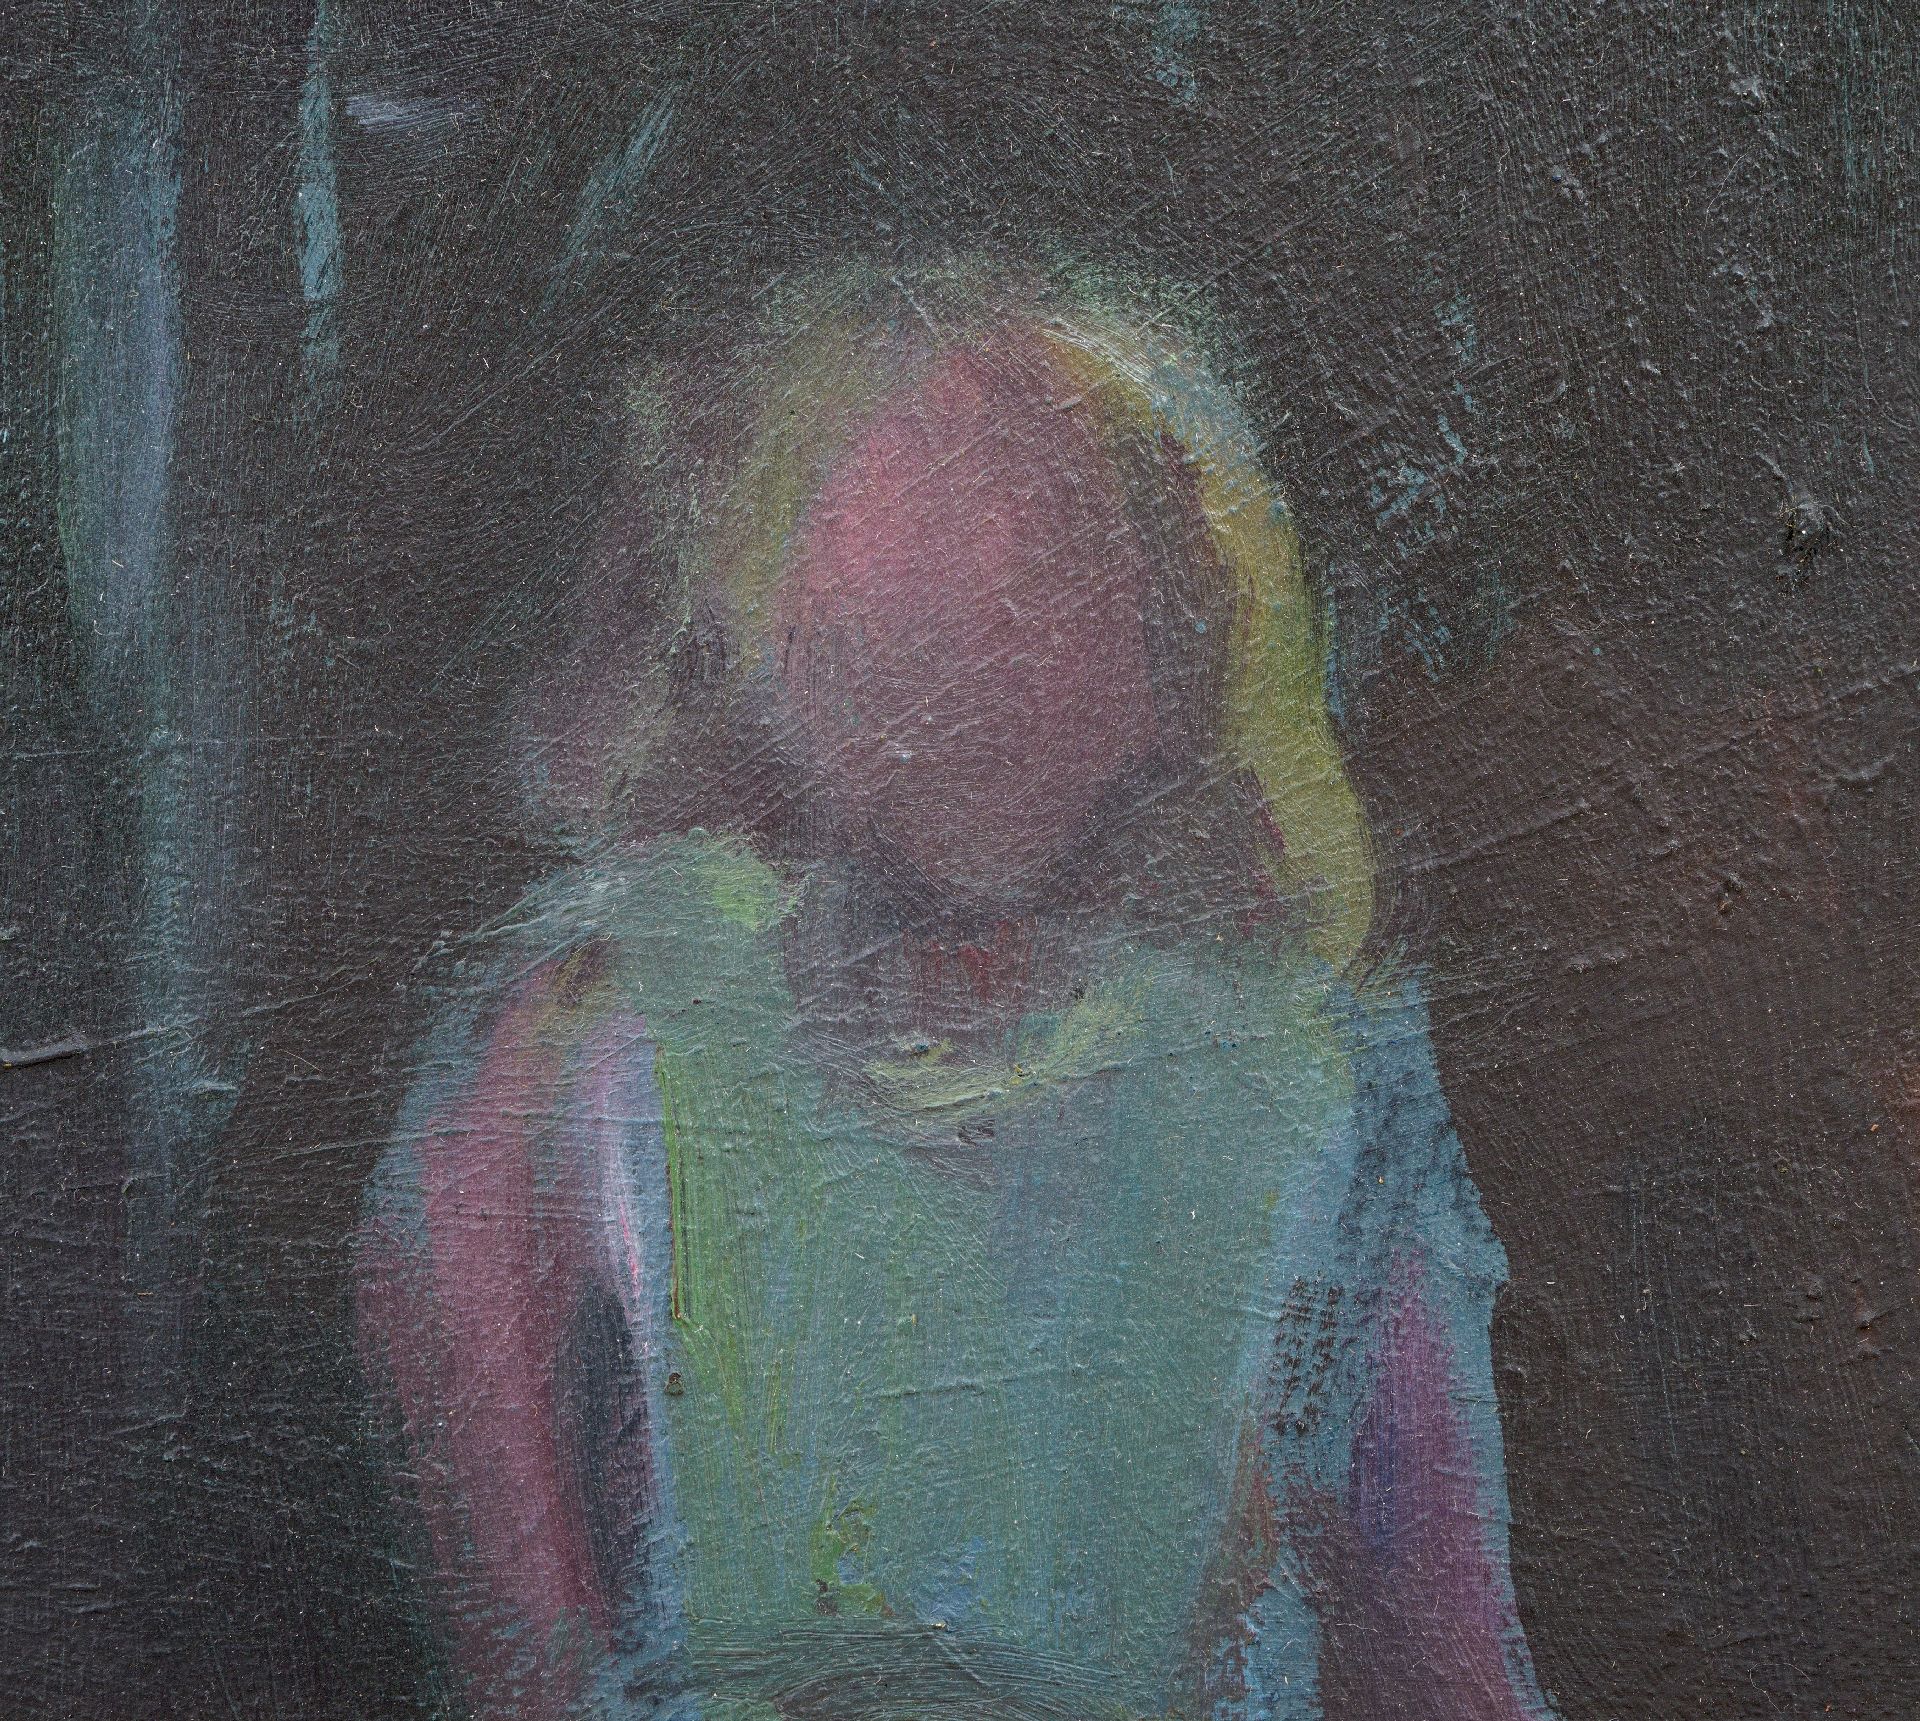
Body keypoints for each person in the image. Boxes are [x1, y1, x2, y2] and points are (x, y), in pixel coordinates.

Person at [357, 262, 1554, 1720]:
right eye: (899, 596)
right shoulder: (588, 1046)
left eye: (1047, 586)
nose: (970, 668)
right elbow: (523, 1650)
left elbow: (1445, 1668)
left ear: (1182, 644)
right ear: (762, 622)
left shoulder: (1307, 1093)